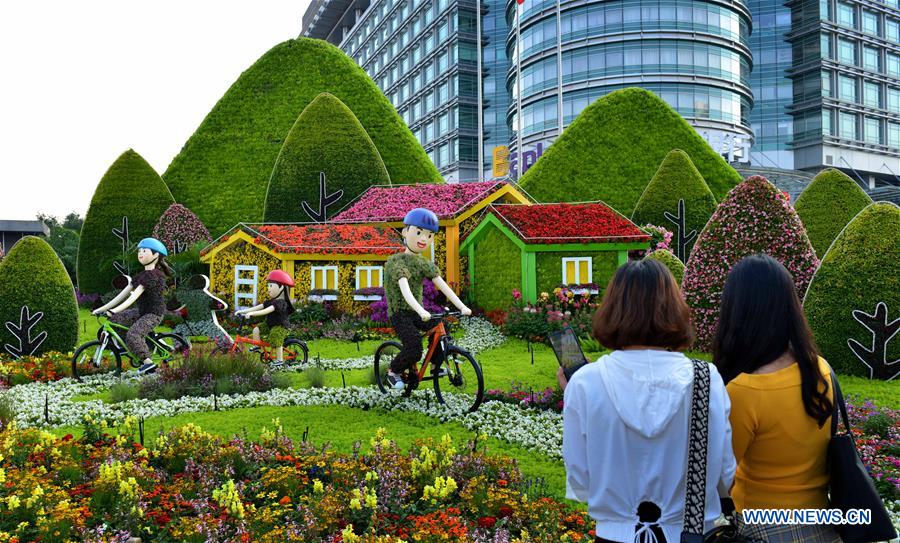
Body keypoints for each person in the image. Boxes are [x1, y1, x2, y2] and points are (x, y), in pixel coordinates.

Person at [559, 259, 736, 543]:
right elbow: (725, 475)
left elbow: (580, 480)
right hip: (690, 533)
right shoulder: (706, 379)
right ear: (674, 308)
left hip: (615, 534)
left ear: (612, 309)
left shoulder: (585, 383)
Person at [713, 254, 838, 543]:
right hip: (823, 523)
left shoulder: (746, 390)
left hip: (764, 528)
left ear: (737, 312)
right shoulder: (820, 368)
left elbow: (721, 479)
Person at [383, 208, 471, 390]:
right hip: (400, 313)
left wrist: (462, 306)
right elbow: (404, 287)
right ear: (405, 232)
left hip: (417, 312)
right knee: (414, 348)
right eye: (419, 233)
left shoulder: (424, 263)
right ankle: (393, 371)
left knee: (441, 326)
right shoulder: (396, 262)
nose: (424, 239)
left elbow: (442, 284)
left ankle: (435, 366)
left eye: (429, 235)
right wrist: (420, 310)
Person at [91, 237, 173, 375]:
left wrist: (113, 310)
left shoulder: (154, 275)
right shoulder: (140, 275)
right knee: (116, 320)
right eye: (139, 251)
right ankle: (129, 346)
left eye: (144, 250)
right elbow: (121, 295)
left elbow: (133, 297)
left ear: (156, 255)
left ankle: (148, 363)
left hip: (153, 313)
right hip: (141, 311)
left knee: (134, 334)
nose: (140, 253)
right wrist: (101, 309)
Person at [235, 270, 295, 367]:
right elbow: (259, 307)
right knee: (256, 329)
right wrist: (243, 311)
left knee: (275, 336)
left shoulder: (280, 302)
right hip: (269, 324)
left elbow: (266, 311)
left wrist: (252, 314)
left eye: (271, 286)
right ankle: (257, 346)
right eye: (268, 286)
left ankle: (280, 360)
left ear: (281, 288)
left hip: (280, 326)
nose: (268, 289)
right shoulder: (270, 301)